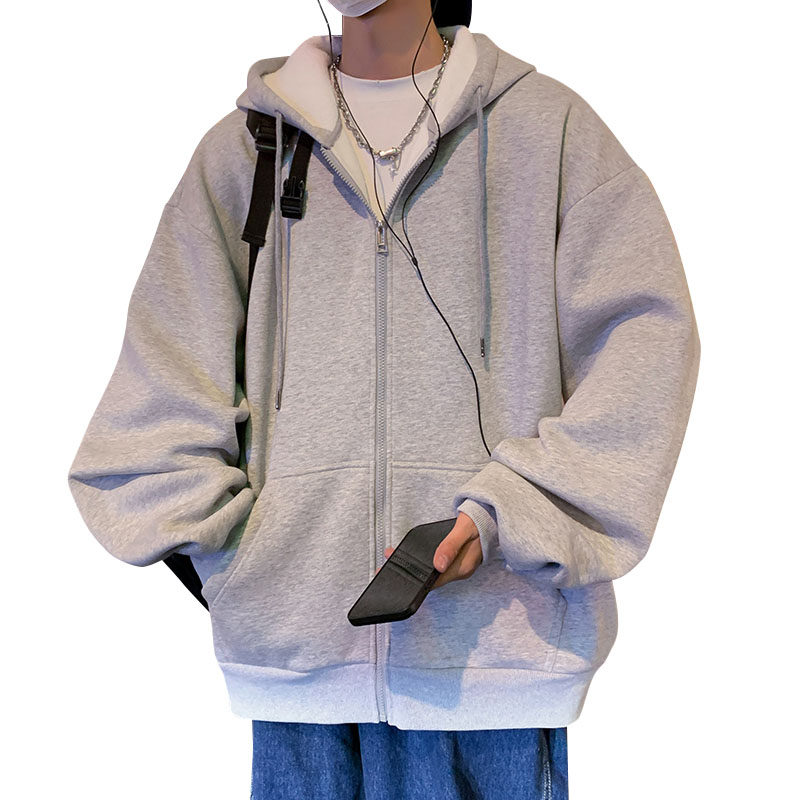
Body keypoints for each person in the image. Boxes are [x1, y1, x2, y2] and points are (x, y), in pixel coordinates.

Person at [66, 0, 700, 797]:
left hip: (496, 667)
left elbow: (646, 348)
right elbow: (160, 381)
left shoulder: (551, 133)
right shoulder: (248, 149)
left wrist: (509, 513)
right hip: (298, 681)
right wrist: (247, 562)